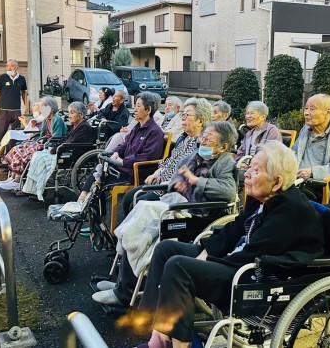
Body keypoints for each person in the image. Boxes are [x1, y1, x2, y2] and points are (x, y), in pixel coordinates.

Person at [120, 140, 325, 348]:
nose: (246, 174)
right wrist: (207, 250)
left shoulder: (291, 211)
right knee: (166, 249)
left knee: (179, 266)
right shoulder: (263, 197)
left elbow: (255, 253)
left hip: (253, 277)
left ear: (277, 182)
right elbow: (234, 229)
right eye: (249, 167)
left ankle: (179, 345)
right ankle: (156, 334)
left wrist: (209, 259)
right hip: (238, 258)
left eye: (255, 170)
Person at [92, 121, 239, 308]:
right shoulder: (195, 155)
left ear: (223, 147)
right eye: (203, 136)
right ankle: (122, 284)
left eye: (209, 138)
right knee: (140, 214)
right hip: (177, 202)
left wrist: (196, 181)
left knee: (143, 218)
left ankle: (125, 292)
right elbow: (178, 175)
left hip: (197, 214)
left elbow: (228, 191)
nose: (203, 140)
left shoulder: (225, 162)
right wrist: (178, 183)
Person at [70, 92, 165, 214]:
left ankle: (88, 211)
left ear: (148, 110)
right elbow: (124, 144)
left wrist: (123, 161)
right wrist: (116, 153)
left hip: (136, 173)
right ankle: (83, 203)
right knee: (99, 170)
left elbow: (146, 157)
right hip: (123, 168)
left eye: (138, 106)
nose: (135, 109)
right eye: (135, 106)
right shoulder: (137, 128)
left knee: (99, 181)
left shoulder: (155, 131)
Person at [18, 102, 95, 201]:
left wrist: (55, 149)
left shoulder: (85, 127)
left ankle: (38, 190)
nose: (69, 115)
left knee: (41, 158)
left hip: (72, 155)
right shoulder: (75, 126)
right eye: (69, 112)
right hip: (66, 151)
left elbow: (71, 142)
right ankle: (32, 189)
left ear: (81, 115)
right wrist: (55, 146)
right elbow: (66, 139)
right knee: (36, 155)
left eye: (72, 113)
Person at [0, 95, 68, 190]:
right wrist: (35, 141)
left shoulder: (57, 120)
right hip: (44, 141)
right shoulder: (47, 119)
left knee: (27, 153)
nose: (42, 110)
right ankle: (12, 177)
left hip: (52, 144)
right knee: (18, 148)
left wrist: (42, 144)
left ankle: (17, 181)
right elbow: (42, 134)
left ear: (51, 109)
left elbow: (57, 137)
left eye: (44, 107)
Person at [0, 59, 28, 146]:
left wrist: (26, 105)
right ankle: (0, 151)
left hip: (16, 110)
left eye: (12, 66)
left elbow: (24, 92)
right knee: (2, 131)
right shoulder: (2, 77)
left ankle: (13, 150)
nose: (9, 68)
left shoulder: (22, 79)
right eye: (7, 66)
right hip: (4, 110)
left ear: (17, 67)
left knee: (16, 133)